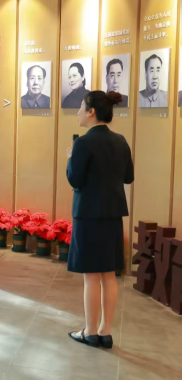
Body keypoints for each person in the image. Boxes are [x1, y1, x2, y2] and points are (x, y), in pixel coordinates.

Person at [66, 91, 134, 349]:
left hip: (88, 215)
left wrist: (70, 158)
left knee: (91, 276)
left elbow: (75, 179)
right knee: (108, 274)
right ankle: (105, 332)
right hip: (113, 215)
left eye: (81, 107)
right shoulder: (121, 141)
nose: (78, 112)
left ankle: (90, 331)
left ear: (91, 111)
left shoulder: (83, 143)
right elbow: (128, 177)